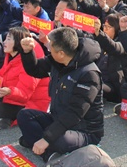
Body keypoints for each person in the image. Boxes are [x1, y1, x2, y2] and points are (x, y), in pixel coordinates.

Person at [17, 27, 103, 162]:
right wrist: (27, 52)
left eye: (50, 47)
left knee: (59, 140)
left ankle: (46, 152)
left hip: (84, 130)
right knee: (24, 115)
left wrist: (46, 138)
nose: (48, 49)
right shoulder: (57, 60)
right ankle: (46, 148)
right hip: (58, 118)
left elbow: (75, 113)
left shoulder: (89, 74)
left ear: (61, 53)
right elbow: (35, 69)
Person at [0, 27, 51, 133]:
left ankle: (2, 120)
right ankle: (1, 120)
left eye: (8, 39)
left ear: (18, 42)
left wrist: (10, 91)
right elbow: (1, 76)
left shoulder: (28, 61)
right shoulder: (11, 56)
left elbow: (25, 94)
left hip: (31, 103)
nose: (4, 42)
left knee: (0, 108)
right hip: (13, 97)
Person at [91, 14, 127, 103]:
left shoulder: (126, 42)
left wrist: (99, 33)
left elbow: (114, 47)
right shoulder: (101, 41)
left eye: (109, 27)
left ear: (117, 28)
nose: (105, 29)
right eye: (104, 26)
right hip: (100, 79)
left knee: (93, 87)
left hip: (115, 86)